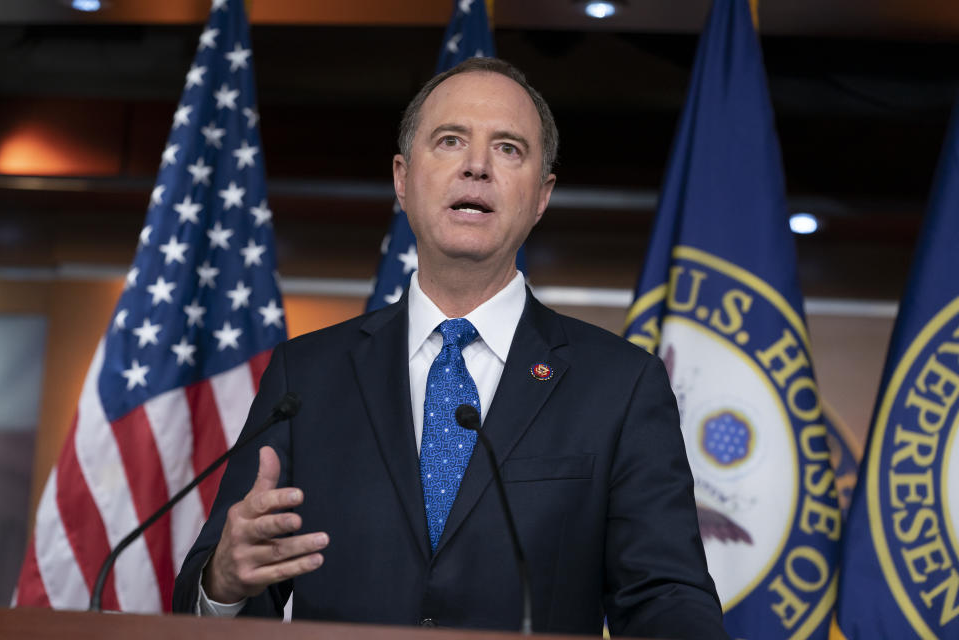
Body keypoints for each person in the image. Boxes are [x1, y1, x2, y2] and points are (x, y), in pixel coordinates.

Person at [173, 57, 727, 639]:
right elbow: (216, 588)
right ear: (402, 178)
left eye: (509, 148)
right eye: (450, 140)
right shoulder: (305, 375)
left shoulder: (620, 384)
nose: (477, 167)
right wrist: (225, 585)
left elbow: (665, 595)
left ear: (541, 196)